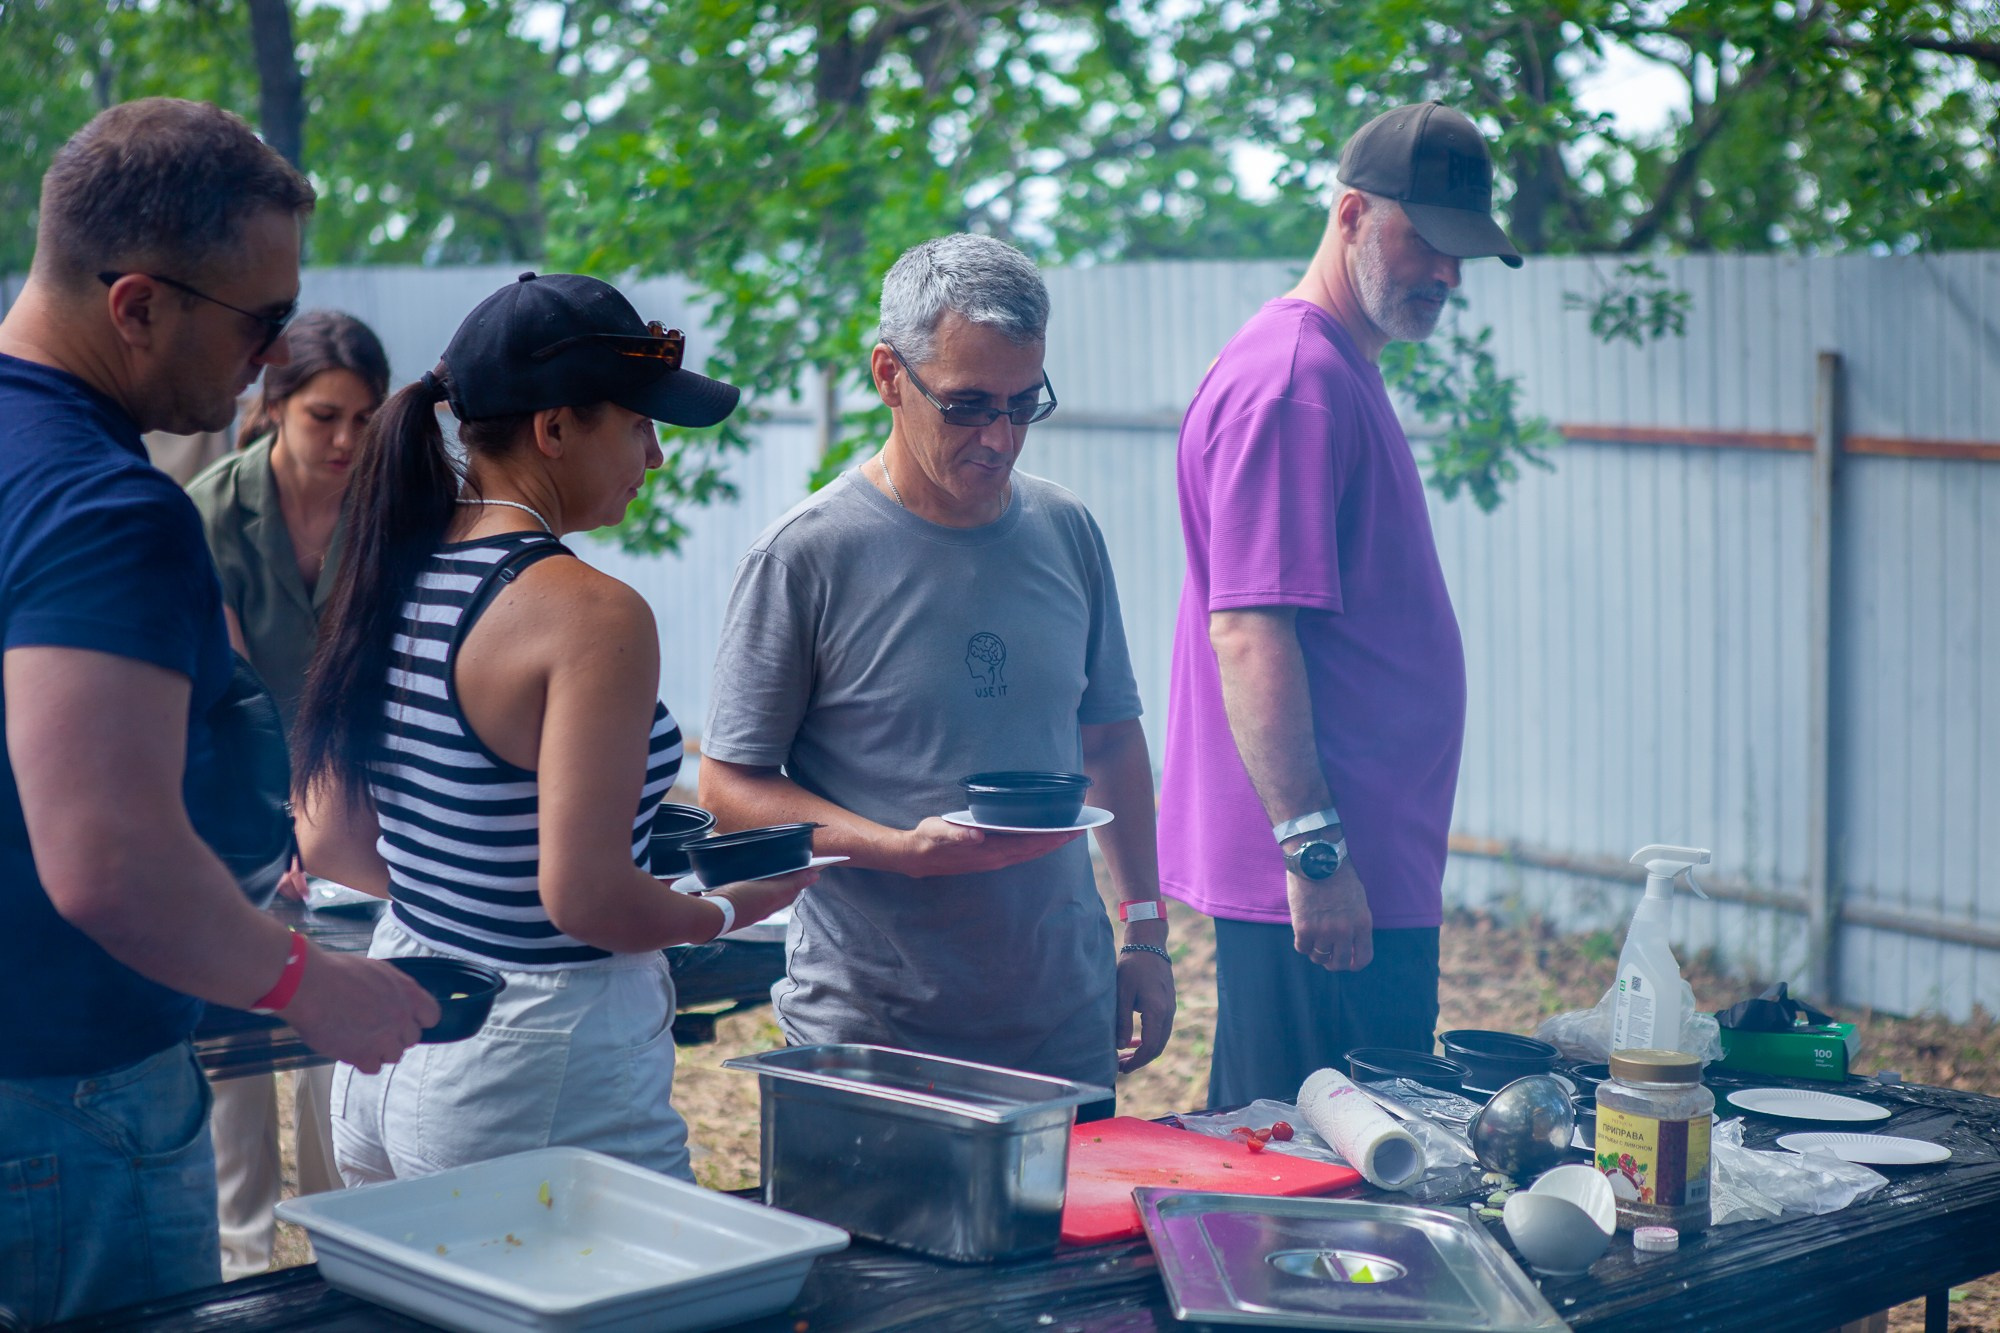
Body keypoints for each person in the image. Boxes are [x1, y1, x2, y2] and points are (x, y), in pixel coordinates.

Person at [0, 98, 435, 1327]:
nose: (269, 355)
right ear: (137, 304)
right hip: (64, 1100)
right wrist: (305, 981)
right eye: (261, 322)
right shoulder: (103, 508)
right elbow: (107, 857)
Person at [292, 271, 816, 1185]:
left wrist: (467, 901)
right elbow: (585, 898)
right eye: (640, 424)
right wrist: (730, 909)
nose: (653, 458)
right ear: (556, 427)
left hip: (400, 1027)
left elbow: (328, 835)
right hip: (537, 1068)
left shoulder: (393, 563)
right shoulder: (590, 613)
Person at [700, 234, 1175, 1104]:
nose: (1001, 437)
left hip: (1063, 1021)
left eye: (1024, 403)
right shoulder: (808, 555)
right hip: (871, 1032)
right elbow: (729, 785)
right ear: (889, 375)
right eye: (967, 406)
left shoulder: (1067, 530)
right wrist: (892, 849)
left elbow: (1109, 736)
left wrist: (1144, 929)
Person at [1159, 102, 1522, 1108]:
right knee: (1307, 1189)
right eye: (1428, 244)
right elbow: (1248, 627)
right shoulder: (1292, 381)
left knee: (1336, 1170)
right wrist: (1313, 854)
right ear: (1352, 213)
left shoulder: (1326, 367)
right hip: (1322, 884)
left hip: (1351, 874)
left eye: (1463, 257)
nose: (1447, 276)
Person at [186, 309, 391, 1278]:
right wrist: (276, 828)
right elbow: (224, 698)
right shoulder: (211, 510)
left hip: (354, 794)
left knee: (333, 1026)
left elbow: (386, 673)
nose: (346, 439)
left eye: (363, 417)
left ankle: (335, 1245)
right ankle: (242, 1254)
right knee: (237, 1021)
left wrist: (334, 820)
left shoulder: (385, 510)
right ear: (274, 408)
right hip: (237, 793)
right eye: (324, 416)